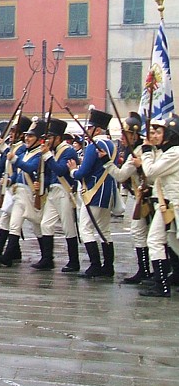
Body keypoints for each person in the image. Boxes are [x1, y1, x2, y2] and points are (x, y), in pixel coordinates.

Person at [101, 112, 152, 283]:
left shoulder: (137, 153)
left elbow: (121, 175)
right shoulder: (138, 151)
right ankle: (147, 270)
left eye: (126, 134)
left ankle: (145, 271)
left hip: (146, 198)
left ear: (134, 135)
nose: (122, 137)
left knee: (140, 233)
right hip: (144, 196)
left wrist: (107, 162)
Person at [67, 109, 117, 278]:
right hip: (107, 193)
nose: (87, 131)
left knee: (86, 229)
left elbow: (84, 171)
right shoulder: (112, 145)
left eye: (89, 128)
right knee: (105, 230)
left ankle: (95, 265)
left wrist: (73, 171)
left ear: (96, 129)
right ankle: (108, 267)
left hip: (94, 192)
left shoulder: (93, 146)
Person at [137, 115, 179, 297]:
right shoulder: (165, 152)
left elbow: (152, 171)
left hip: (174, 205)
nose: (153, 136)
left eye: (159, 132)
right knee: (160, 241)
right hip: (166, 206)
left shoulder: (175, 152)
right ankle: (161, 285)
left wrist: (146, 152)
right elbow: (154, 178)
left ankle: (162, 285)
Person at [0, 118, 46, 267]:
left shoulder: (40, 154)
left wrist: (15, 159)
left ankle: (46, 257)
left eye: (31, 136)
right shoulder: (26, 151)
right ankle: (7, 256)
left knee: (37, 226)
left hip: (31, 193)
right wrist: (11, 180)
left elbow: (29, 168)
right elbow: (18, 172)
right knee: (14, 223)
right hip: (19, 192)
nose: (27, 138)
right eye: (26, 135)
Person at [36, 118, 80, 271]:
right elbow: (48, 173)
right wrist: (41, 184)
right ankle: (47, 259)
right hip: (53, 192)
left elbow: (61, 170)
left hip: (64, 191)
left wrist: (47, 156)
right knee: (45, 224)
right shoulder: (52, 152)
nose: (47, 140)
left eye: (50, 137)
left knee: (68, 227)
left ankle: (74, 261)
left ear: (58, 138)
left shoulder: (68, 151)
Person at [0, 115, 31, 260]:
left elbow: (17, 165)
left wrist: (4, 148)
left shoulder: (21, 149)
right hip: (10, 188)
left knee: (12, 220)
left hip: (18, 187)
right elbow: (2, 167)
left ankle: (1, 250)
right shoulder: (13, 147)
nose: (11, 134)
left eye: (14, 132)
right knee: (8, 218)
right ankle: (10, 251)